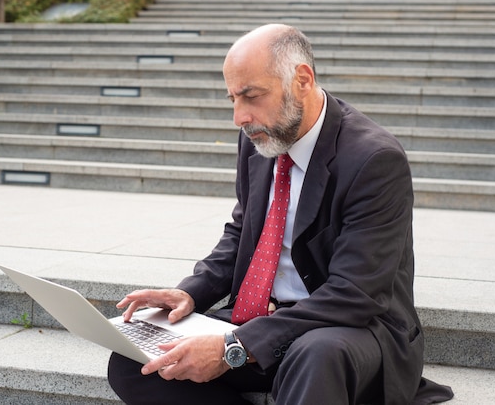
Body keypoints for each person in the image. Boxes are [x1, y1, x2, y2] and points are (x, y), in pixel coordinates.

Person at [108, 24, 454, 405]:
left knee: (315, 356)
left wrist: (232, 347)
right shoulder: (258, 137)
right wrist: (189, 293)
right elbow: (243, 233)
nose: (240, 117)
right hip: (263, 318)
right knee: (135, 361)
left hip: (350, 327)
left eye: (251, 96)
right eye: (232, 99)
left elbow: (356, 294)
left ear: (302, 79)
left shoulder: (374, 160)